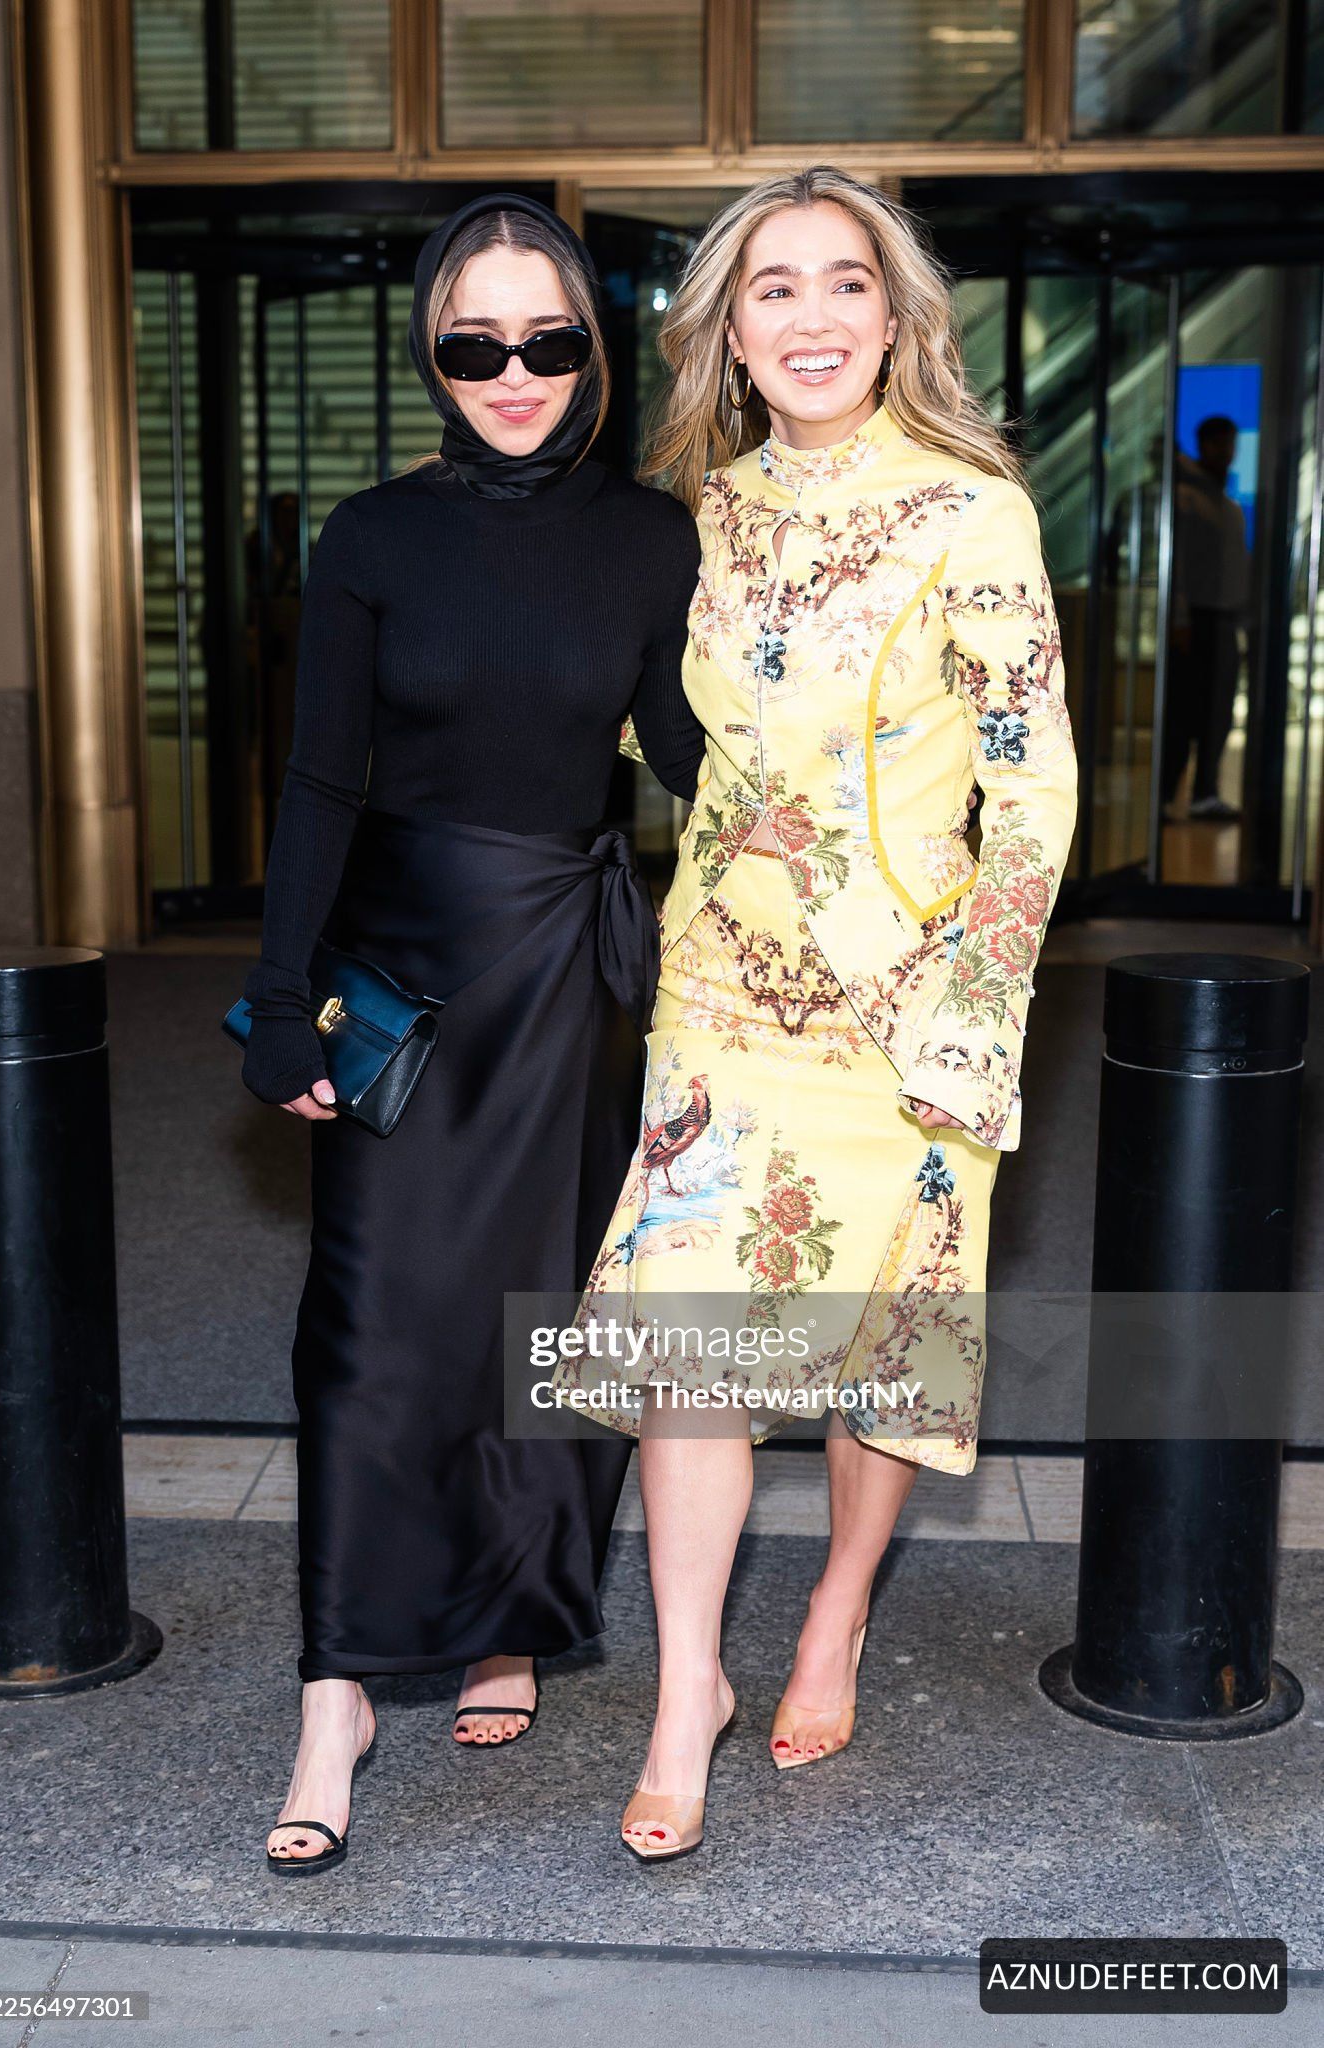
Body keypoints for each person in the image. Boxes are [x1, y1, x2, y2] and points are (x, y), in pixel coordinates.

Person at [554, 166, 1079, 1861]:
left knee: (886, 1353)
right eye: (770, 287)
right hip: (722, 989)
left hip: (911, 1001)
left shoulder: (969, 511)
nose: (811, 316)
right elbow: (643, 725)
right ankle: (683, 1693)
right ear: (727, 330)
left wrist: (977, 1008)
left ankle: (841, 1601)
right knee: (689, 1355)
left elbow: (1034, 788)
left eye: (844, 281)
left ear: (895, 315)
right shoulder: (689, 515)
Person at [237, 192, 706, 1870]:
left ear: (594, 346)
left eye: (548, 339)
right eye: (474, 343)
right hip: (407, 976)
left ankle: (506, 1621)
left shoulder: (652, 540)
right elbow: (321, 779)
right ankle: (337, 1695)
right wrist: (281, 996)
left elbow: (688, 760)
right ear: (430, 354)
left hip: (567, 980)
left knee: (540, 1327)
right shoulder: (373, 537)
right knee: (367, 1331)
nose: (514, 372)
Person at [1161, 414, 1250, 823]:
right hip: (1194, 620)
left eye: (1230, 444)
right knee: (1184, 712)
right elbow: (1175, 565)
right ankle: (1167, 796)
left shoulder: (1226, 504)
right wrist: (1180, 618)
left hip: (1223, 619)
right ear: (1203, 445)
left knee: (1218, 711)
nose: (1226, 452)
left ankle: (1204, 793)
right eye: (1219, 444)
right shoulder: (1186, 497)